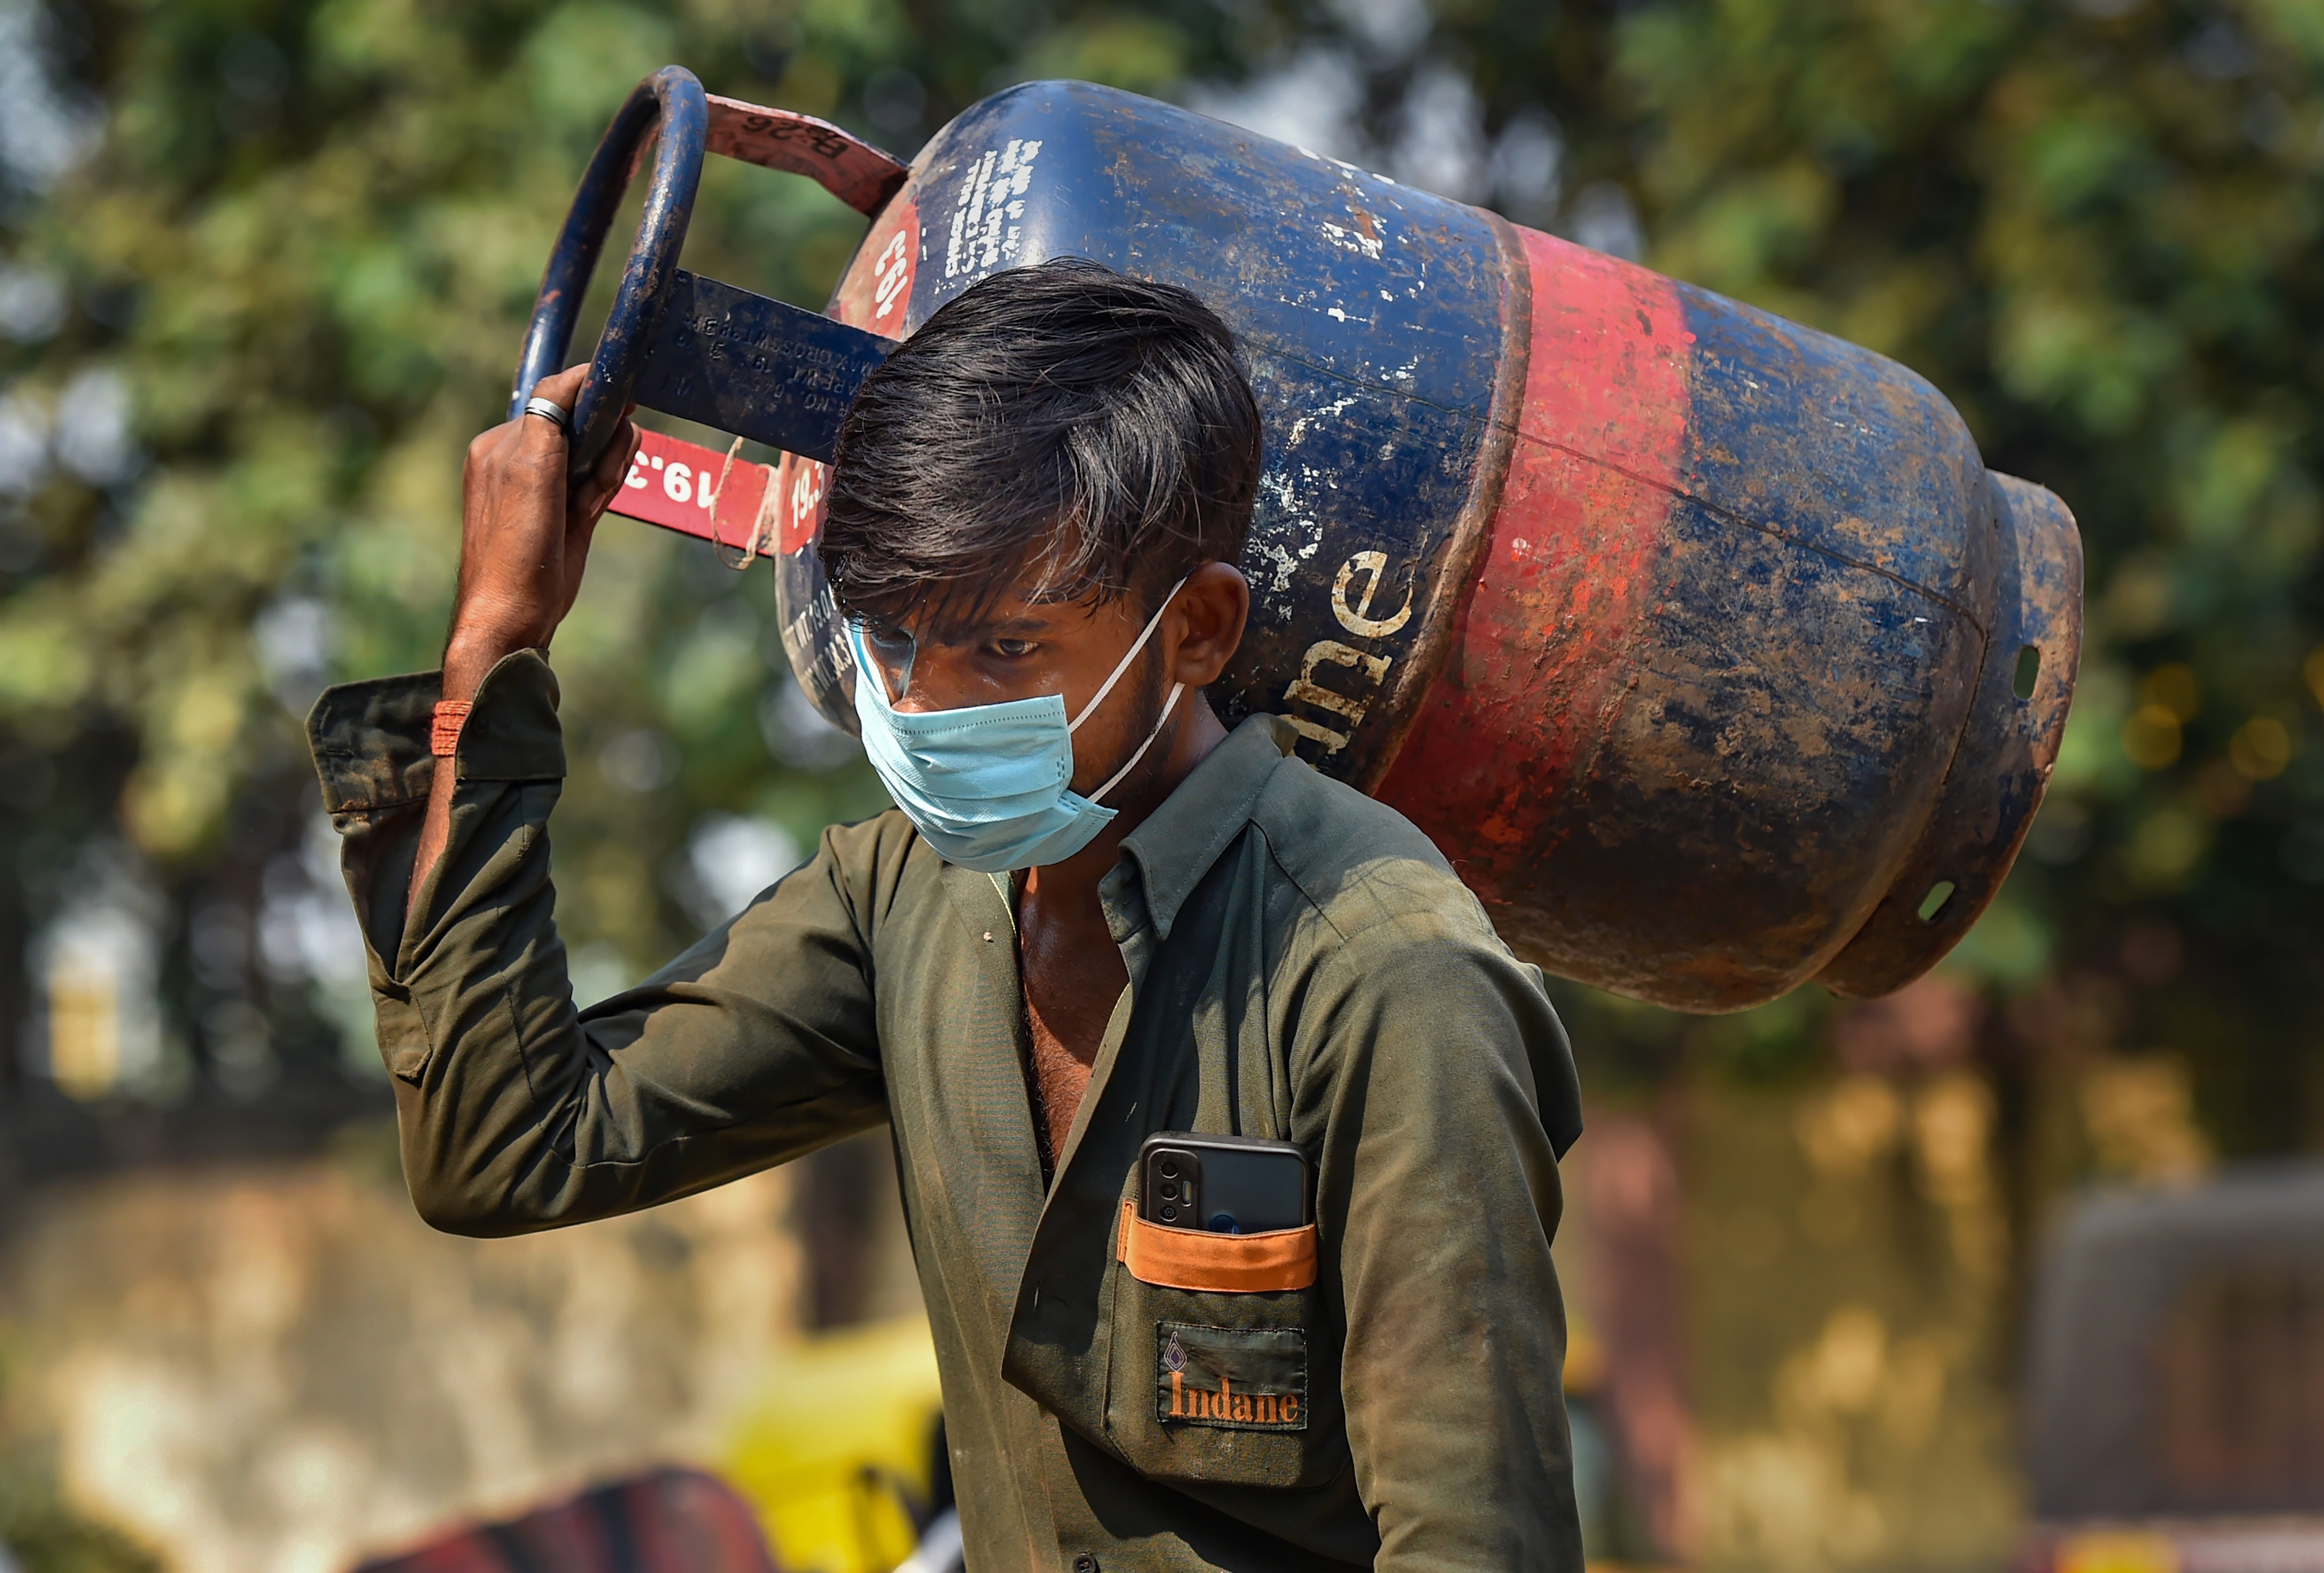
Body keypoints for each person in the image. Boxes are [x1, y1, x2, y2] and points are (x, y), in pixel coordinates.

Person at [309, 258, 1585, 1571]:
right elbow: (507, 1149)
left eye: (1005, 651)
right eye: (897, 646)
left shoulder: (1386, 980)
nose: (924, 713)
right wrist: (494, 650)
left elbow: (1474, 1543)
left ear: (1196, 629)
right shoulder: (901, 903)